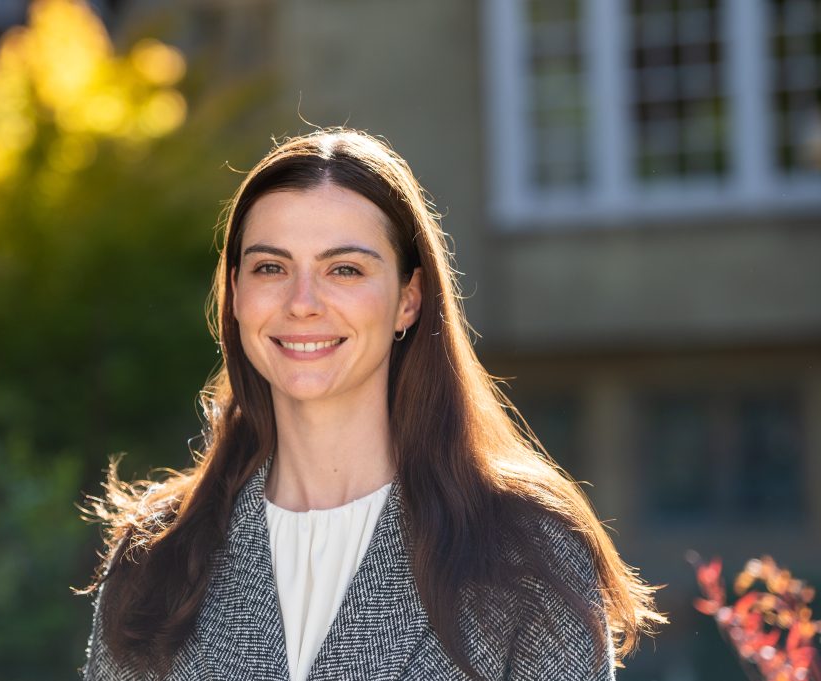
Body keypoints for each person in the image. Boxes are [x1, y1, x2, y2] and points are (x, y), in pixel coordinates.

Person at [80, 128, 665, 680]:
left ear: (409, 300)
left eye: (344, 269)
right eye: (270, 267)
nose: (302, 302)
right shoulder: (154, 558)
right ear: (235, 294)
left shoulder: (523, 553)